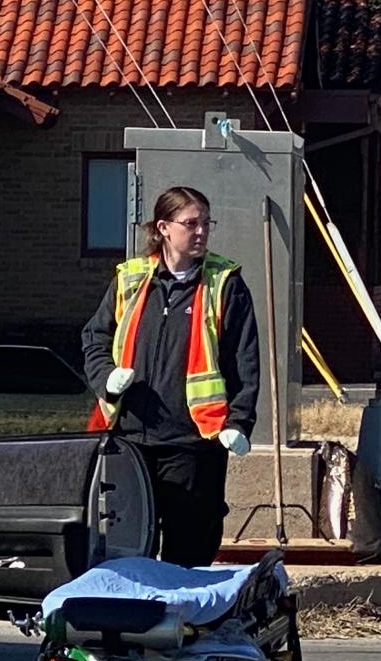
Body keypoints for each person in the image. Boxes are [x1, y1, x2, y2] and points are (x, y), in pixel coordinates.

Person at [81, 186, 260, 567]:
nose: (201, 232)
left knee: (189, 548)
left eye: (206, 223)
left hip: (192, 443)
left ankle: (185, 624)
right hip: (129, 439)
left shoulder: (224, 283)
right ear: (163, 228)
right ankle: (131, 623)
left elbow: (245, 362)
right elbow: (94, 337)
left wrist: (239, 422)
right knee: (126, 549)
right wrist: (105, 377)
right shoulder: (130, 279)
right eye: (191, 223)